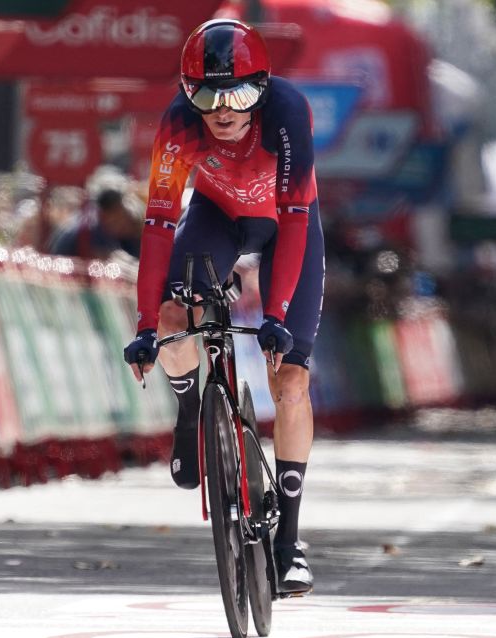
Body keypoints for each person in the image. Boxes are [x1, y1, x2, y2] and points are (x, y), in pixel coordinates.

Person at [123, 18, 324, 595]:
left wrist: (276, 315)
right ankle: (192, 411)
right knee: (173, 319)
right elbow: (158, 226)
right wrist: (145, 326)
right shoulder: (178, 125)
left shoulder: (286, 112)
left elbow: (295, 218)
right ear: (188, 94)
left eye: (237, 95)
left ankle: (288, 542)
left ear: (262, 88)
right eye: (206, 95)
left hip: (287, 226)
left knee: (291, 382)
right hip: (216, 219)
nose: (222, 110)